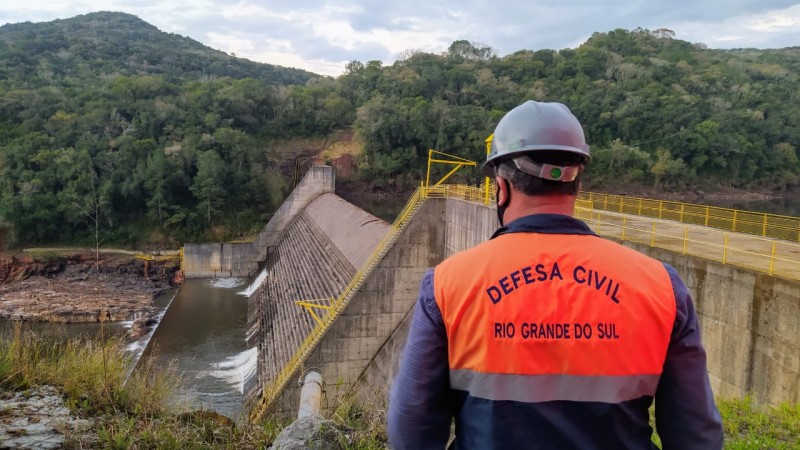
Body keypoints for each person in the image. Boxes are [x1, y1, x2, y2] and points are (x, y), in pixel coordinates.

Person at [387, 100, 723, 449]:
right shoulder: (660, 287)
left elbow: (411, 430)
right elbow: (696, 435)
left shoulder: (448, 284)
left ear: (501, 189)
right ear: (576, 185)